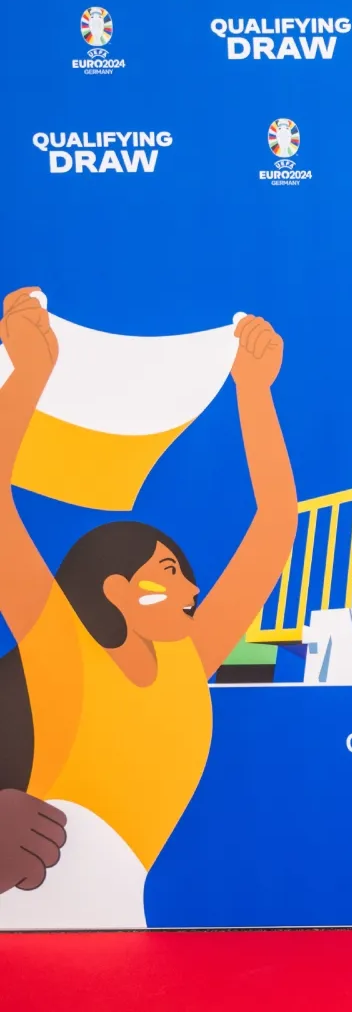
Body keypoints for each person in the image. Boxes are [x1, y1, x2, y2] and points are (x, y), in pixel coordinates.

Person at [0, 287, 296, 928]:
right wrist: (29, 376)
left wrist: (254, 392)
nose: (191, 591)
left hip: (121, 916)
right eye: (168, 574)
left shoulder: (187, 660)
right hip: (28, 902)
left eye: (186, 577)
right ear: (114, 589)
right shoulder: (62, 651)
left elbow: (276, 524)